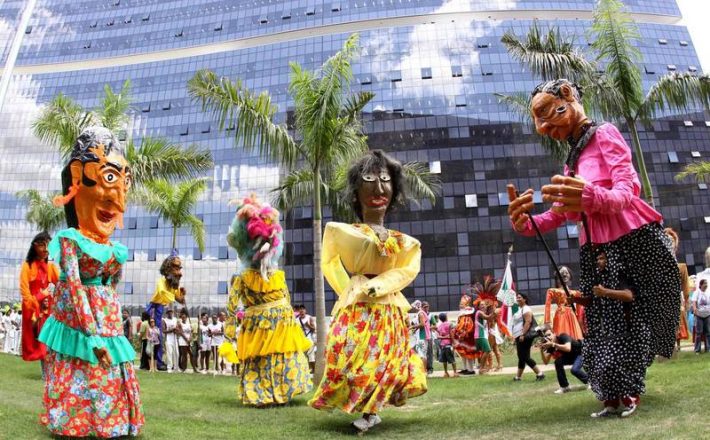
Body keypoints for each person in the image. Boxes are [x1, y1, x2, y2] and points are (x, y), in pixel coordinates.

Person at [509, 79, 680, 418]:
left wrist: (590, 196)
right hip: (594, 249)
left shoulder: (605, 135)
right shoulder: (572, 161)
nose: (544, 128)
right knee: (599, 325)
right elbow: (562, 214)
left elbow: (627, 191)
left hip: (628, 240)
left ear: (568, 98)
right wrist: (525, 222)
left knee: (627, 320)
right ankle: (609, 396)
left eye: (548, 115)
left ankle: (629, 392)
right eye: (538, 122)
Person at [309, 150, 427, 432]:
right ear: (355, 191)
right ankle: (367, 408)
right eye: (370, 179)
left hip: (389, 307)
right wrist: (349, 290)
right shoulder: (340, 231)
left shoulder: (407, 242)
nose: (379, 187)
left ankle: (371, 412)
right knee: (350, 359)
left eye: (386, 180)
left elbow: (408, 269)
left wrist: (381, 285)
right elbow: (329, 262)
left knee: (382, 361)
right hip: (356, 308)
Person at [37, 126, 143, 437]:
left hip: (107, 317)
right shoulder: (70, 241)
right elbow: (73, 286)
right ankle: (76, 420)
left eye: (124, 182)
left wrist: (111, 326)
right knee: (82, 364)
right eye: (109, 178)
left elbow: (111, 286)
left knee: (111, 368)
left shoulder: (114, 249)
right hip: (81, 317)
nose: (118, 200)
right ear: (77, 176)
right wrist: (93, 336)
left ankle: (113, 421)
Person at [226, 194, 312, 405]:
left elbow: (285, 299)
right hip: (264, 325)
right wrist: (228, 337)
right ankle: (266, 393)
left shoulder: (275, 275)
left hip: (281, 323)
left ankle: (281, 392)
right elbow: (231, 307)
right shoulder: (242, 277)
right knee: (263, 357)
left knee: (277, 356)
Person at [19, 232, 59, 364]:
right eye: (43, 245)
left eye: (48, 246)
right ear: (35, 246)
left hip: (47, 308)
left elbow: (62, 283)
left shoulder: (51, 267)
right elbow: (25, 294)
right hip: (32, 310)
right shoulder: (27, 267)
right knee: (37, 342)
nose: (46, 249)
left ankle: (48, 375)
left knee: (47, 345)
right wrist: (40, 296)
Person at [145, 253, 186, 371]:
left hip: (161, 308)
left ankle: (158, 362)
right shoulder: (161, 281)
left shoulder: (174, 285)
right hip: (153, 308)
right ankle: (155, 363)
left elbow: (181, 301)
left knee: (158, 337)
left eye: (179, 269)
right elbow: (163, 294)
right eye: (176, 268)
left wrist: (183, 294)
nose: (179, 273)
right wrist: (175, 296)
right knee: (155, 336)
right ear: (168, 269)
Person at [538, 324, 588, 394]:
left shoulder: (563, 336)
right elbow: (546, 362)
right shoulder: (551, 345)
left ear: (554, 333)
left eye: (549, 334)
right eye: (546, 336)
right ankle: (565, 387)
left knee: (574, 370)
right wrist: (541, 349)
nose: (548, 337)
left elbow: (568, 348)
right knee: (558, 362)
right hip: (571, 357)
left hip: (581, 353)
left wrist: (554, 344)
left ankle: (591, 382)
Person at [664, 228, 690, 352]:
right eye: (667, 240)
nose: (670, 243)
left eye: (672, 240)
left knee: (677, 321)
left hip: (675, 297)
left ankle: (676, 347)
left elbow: (685, 286)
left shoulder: (681, 267)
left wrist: (686, 299)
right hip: (662, 298)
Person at [544, 266, 584, 341]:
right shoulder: (552, 291)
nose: (564, 275)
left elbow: (579, 311)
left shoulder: (576, 293)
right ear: (557, 276)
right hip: (561, 315)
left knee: (576, 340)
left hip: (573, 317)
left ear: (570, 276)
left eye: (566, 273)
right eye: (562, 273)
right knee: (561, 337)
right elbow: (547, 307)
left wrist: (580, 324)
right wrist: (547, 322)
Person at [511, 293, 544, 381]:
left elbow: (528, 322)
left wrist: (522, 334)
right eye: (517, 297)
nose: (517, 299)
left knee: (524, 357)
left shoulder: (526, 309)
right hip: (519, 336)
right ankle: (518, 377)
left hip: (524, 336)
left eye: (520, 297)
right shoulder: (520, 309)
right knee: (522, 356)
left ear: (524, 299)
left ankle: (540, 373)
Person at [452, 294, 478, 375]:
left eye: (462, 304)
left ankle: (471, 370)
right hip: (462, 336)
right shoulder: (462, 314)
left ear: (466, 304)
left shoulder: (467, 314)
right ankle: (465, 368)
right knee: (463, 353)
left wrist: (461, 332)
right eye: (460, 304)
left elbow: (467, 325)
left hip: (467, 337)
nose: (460, 305)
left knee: (468, 353)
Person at [412, 301, 433, 375]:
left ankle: (423, 372)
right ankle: (424, 371)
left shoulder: (420, 313)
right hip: (425, 336)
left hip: (422, 336)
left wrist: (412, 327)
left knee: (421, 354)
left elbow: (422, 324)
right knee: (423, 354)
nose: (413, 309)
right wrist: (415, 329)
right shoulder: (423, 313)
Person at [296, 304, 317, 373]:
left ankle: (313, 369)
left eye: (303, 309)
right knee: (302, 355)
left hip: (309, 339)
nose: (301, 311)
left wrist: (308, 326)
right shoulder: (296, 320)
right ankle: (305, 369)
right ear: (299, 311)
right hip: (301, 340)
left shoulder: (309, 318)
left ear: (305, 310)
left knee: (311, 354)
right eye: (300, 309)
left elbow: (314, 329)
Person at [436, 312, 458, 377]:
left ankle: (446, 373)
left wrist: (443, 337)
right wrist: (453, 342)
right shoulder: (449, 324)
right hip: (448, 344)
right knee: (452, 359)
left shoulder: (439, 326)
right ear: (446, 317)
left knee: (444, 360)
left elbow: (438, 336)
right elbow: (451, 334)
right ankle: (455, 372)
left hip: (442, 345)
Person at [692, 279, 710, 353]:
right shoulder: (697, 292)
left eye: (707, 283)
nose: (706, 285)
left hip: (707, 314)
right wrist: (695, 309)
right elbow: (694, 302)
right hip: (699, 314)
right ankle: (697, 350)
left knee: (708, 332)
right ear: (701, 285)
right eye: (705, 283)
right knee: (699, 333)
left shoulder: (708, 293)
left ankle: (708, 348)